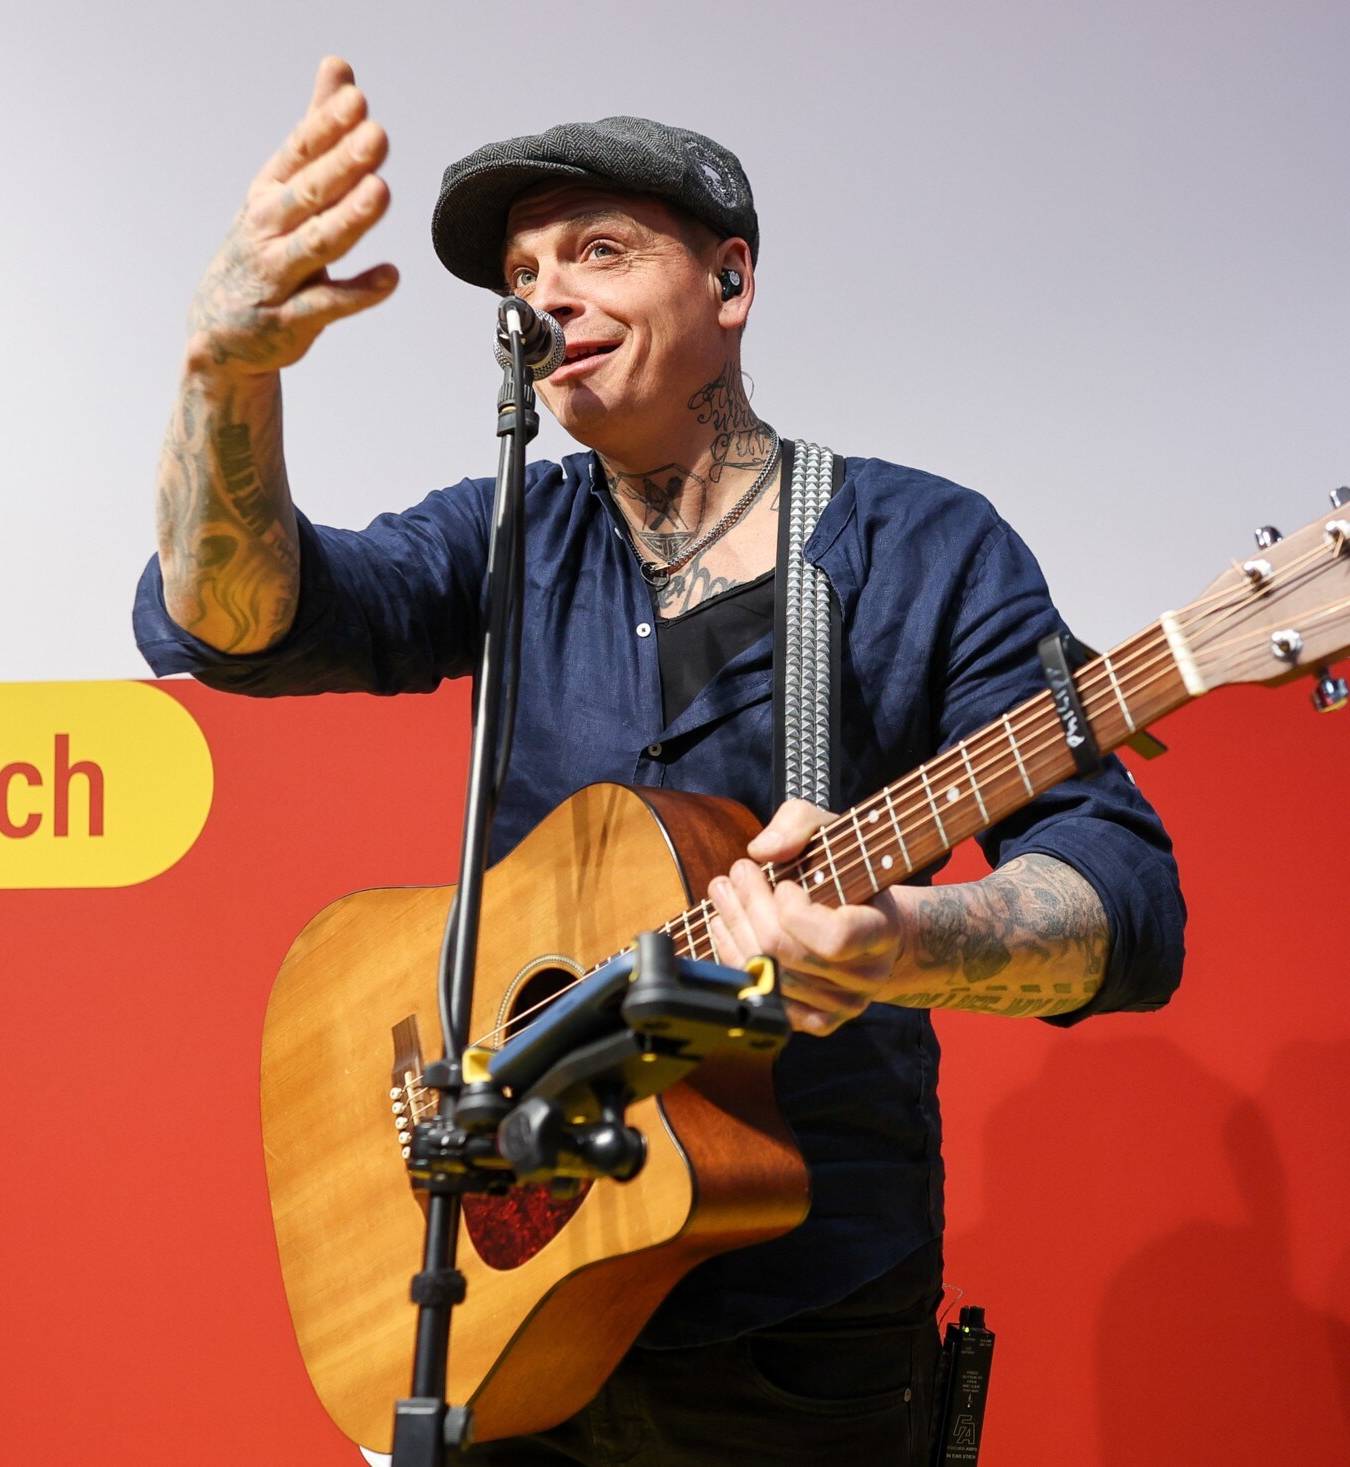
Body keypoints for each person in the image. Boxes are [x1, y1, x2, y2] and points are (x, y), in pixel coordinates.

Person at [133, 59, 1185, 1465]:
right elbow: (237, 618)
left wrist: (900, 941)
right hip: (501, 1293)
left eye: (600, 249)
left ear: (731, 283)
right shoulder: (509, 529)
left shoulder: (927, 547)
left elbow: (1123, 898)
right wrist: (225, 366)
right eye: (522, 270)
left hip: (794, 1331)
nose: (546, 294)